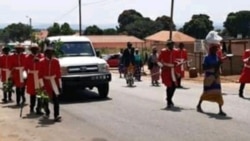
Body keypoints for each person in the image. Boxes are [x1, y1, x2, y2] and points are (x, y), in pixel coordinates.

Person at [197, 31, 226, 116]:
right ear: (211, 49)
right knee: (206, 92)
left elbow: (218, 65)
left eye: (217, 49)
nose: (216, 50)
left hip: (216, 76)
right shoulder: (206, 57)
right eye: (215, 49)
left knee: (218, 93)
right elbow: (204, 68)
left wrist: (221, 62)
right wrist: (214, 65)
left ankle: (220, 110)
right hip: (209, 77)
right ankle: (199, 105)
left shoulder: (217, 56)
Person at [40, 47, 62, 122]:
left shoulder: (56, 61)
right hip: (45, 82)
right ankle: (47, 112)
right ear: (45, 54)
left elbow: (58, 74)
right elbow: (40, 74)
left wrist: (60, 86)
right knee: (45, 99)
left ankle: (57, 115)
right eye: (48, 53)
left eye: (51, 53)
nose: (50, 55)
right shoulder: (41, 61)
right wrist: (42, 85)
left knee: (56, 99)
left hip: (54, 82)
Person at [158, 40, 179, 108]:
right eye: (171, 45)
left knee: (174, 86)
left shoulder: (174, 51)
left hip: (173, 70)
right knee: (169, 86)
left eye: (173, 45)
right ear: (168, 45)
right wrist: (162, 66)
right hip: (166, 71)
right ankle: (169, 101)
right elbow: (158, 61)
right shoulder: (163, 51)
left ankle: (169, 98)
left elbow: (175, 60)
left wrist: (177, 63)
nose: (173, 46)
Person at [25, 44, 44, 114]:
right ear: (31, 50)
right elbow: (25, 68)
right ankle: (32, 108)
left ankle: (39, 108)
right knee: (32, 94)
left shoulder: (41, 56)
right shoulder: (27, 57)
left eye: (36, 49)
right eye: (33, 49)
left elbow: (44, 64)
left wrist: (39, 61)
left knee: (40, 93)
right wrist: (25, 76)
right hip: (31, 77)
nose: (34, 51)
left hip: (39, 77)